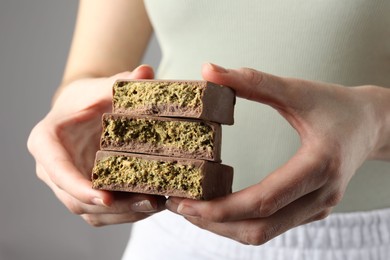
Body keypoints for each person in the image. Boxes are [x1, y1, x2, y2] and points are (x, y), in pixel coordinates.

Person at [28, 0, 390, 259]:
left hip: (361, 243)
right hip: (174, 232)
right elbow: (92, 69)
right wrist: (73, 106)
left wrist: (375, 122)